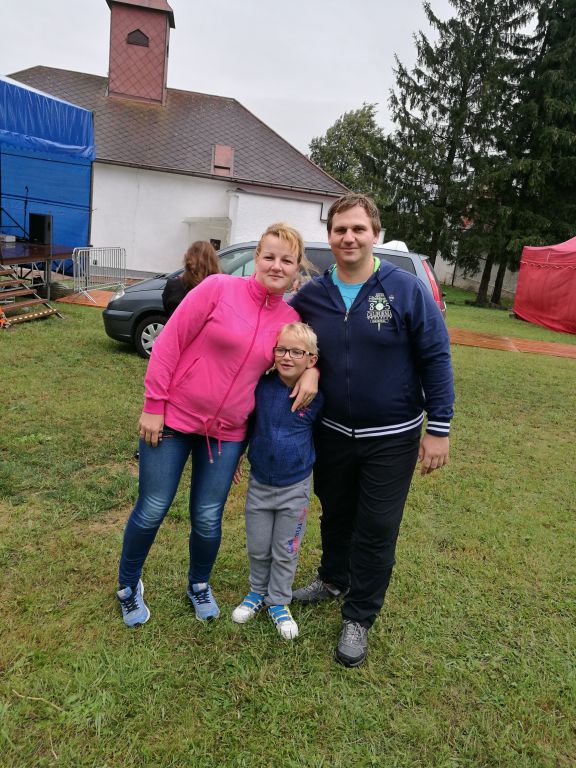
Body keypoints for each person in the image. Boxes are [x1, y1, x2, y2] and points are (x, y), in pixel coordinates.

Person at [116, 223, 318, 627]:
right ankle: (128, 585)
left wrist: (313, 372)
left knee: (208, 516)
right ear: (256, 258)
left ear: (297, 269)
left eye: (287, 260)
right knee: (152, 507)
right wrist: (154, 404)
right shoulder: (218, 288)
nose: (276, 266)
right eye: (269, 256)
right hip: (172, 420)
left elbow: (300, 357)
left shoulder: (289, 318)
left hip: (227, 435)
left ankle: (198, 584)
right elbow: (170, 341)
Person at [290, 193, 455, 667]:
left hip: (393, 436)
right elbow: (287, 345)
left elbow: (436, 356)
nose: (349, 237)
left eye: (358, 229)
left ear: (375, 234)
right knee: (336, 512)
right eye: (340, 229)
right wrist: (310, 368)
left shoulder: (405, 289)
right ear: (329, 236)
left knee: (377, 525)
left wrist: (439, 427)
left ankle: (359, 616)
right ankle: (333, 578)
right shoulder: (311, 296)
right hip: (331, 432)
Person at [231, 322, 323, 640]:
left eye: (296, 352)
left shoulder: (317, 396)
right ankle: (257, 592)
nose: (287, 357)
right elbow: (247, 423)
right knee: (258, 546)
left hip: (295, 489)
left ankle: (279, 601)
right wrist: (238, 454)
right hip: (259, 485)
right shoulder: (262, 387)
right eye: (281, 349)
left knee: (286, 550)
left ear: (311, 359)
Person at [161, 241, 220, 318]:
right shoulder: (219, 288)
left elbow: (167, 310)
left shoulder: (173, 285)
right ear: (213, 262)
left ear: (187, 260)